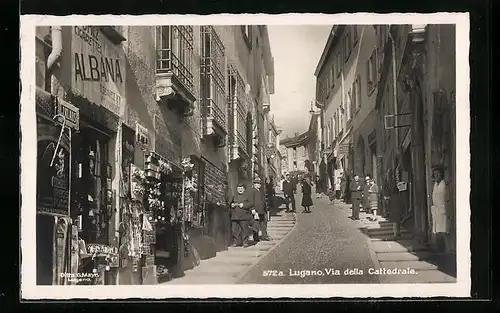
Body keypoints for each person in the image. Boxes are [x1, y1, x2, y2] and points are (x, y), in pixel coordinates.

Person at [431, 164, 449, 252]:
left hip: (443, 209)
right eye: (434, 174)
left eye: (438, 174)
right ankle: (439, 249)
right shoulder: (435, 184)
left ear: (441, 174)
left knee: (443, 230)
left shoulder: (443, 184)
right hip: (436, 210)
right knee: (437, 230)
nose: (436, 176)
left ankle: (444, 249)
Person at [248, 177, 271, 241]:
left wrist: (266, 209)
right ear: (254, 184)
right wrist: (252, 209)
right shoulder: (252, 191)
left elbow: (263, 201)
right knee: (256, 225)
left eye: (260, 183)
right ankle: (256, 237)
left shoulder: (260, 191)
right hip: (256, 211)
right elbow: (250, 201)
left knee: (263, 225)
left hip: (262, 211)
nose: (259, 184)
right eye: (257, 183)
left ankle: (264, 236)